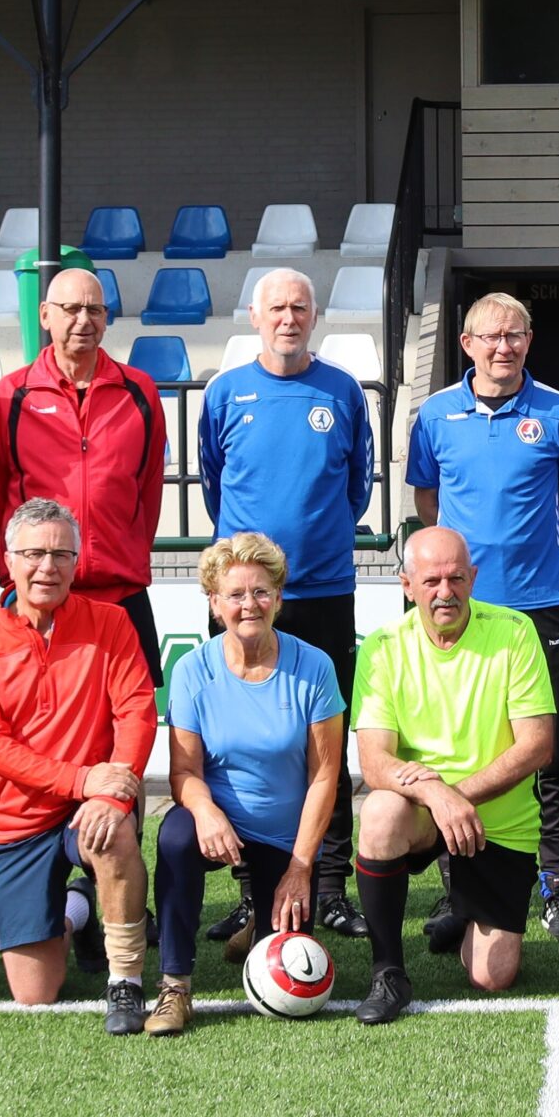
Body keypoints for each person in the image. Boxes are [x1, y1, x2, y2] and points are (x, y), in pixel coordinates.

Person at [410, 291, 559, 940]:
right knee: (454, 746)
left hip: (538, 602)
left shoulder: (558, 411)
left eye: (514, 335)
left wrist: (533, 537)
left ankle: (556, 888)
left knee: (547, 753)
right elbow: (426, 496)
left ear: (528, 340)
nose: (503, 347)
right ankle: (455, 888)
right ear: (466, 344)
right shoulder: (434, 415)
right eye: (490, 336)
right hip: (455, 607)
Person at [200, 266, 375, 934]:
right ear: (253, 316)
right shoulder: (225, 393)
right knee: (246, 748)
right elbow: (217, 487)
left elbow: (356, 488)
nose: (288, 318)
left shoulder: (343, 391)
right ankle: (255, 893)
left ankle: (330, 887)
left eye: (299, 307)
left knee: (323, 746)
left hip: (325, 591)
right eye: (276, 308)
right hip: (245, 599)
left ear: (314, 314)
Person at [0, 499, 158, 1033]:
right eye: (35, 554)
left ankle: (126, 982)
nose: (48, 567)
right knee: (34, 992)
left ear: (77, 560)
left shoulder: (110, 622)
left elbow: (137, 713)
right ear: (7, 558)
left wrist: (110, 795)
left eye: (62, 554)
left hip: (91, 804)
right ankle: (78, 910)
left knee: (109, 834)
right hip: (19, 820)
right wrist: (80, 776)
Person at [350, 527, 557, 1026]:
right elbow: (374, 762)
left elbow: (538, 745)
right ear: (406, 585)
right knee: (379, 810)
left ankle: (463, 910)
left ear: (474, 577)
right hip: (423, 811)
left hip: (497, 821)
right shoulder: (381, 648)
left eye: (456, 578)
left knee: (493, 977)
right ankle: (388, 972)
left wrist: (454, 796)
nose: (446, 592)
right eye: (431, 581)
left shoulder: (514, 632)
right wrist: (435, 796)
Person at [152, 532, 349, 1036]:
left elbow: (326, 775)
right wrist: (206, 812)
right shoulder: (193, 670)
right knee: (174, 836)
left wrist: (302, 866)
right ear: (215, 605)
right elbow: (183, 774)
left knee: (290, 958)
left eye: (261, 592)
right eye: (235, 595)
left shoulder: (315, 667)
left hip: (285, 841)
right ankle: (175, 987)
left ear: (279, 598)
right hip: (221, 826)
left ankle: (257, 926)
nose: (249, 605)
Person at [0, 263, 169, 678]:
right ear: (45, 314)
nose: (84, 320)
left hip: (121, 595)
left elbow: (148, 488)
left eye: (95, 310)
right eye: (71, 308)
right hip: (39, 594)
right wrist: (16, 568)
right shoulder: (12, 394)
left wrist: (125, 549)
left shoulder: (140, 391)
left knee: (129, 726)